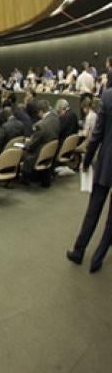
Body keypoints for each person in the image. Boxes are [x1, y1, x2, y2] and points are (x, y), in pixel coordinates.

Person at [68, 85, 112, 273]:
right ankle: (98, 258)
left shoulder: (108, 97)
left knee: (93, 210)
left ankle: (79, 250)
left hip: (106, 163)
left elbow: (97, 135)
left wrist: (86, 161)